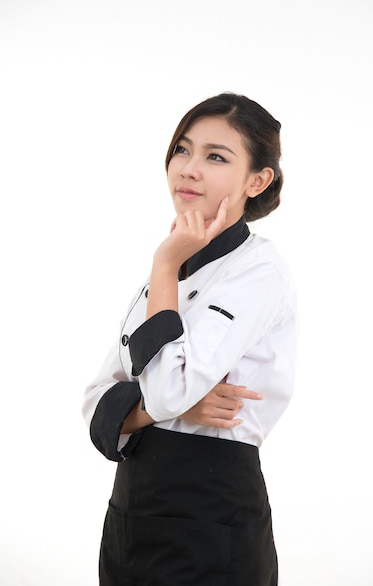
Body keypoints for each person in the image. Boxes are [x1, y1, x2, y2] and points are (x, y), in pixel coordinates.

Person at [82, 92, 298, 586]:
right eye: (183, 149)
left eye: (215, 156)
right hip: (131, 514)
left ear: (257, 180)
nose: (189, 168)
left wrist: (163, 263)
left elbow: (164, 390)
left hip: (210, 514)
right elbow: (96, 405)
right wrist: (174, 407)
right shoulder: (164, 277)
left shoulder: (258, 271)